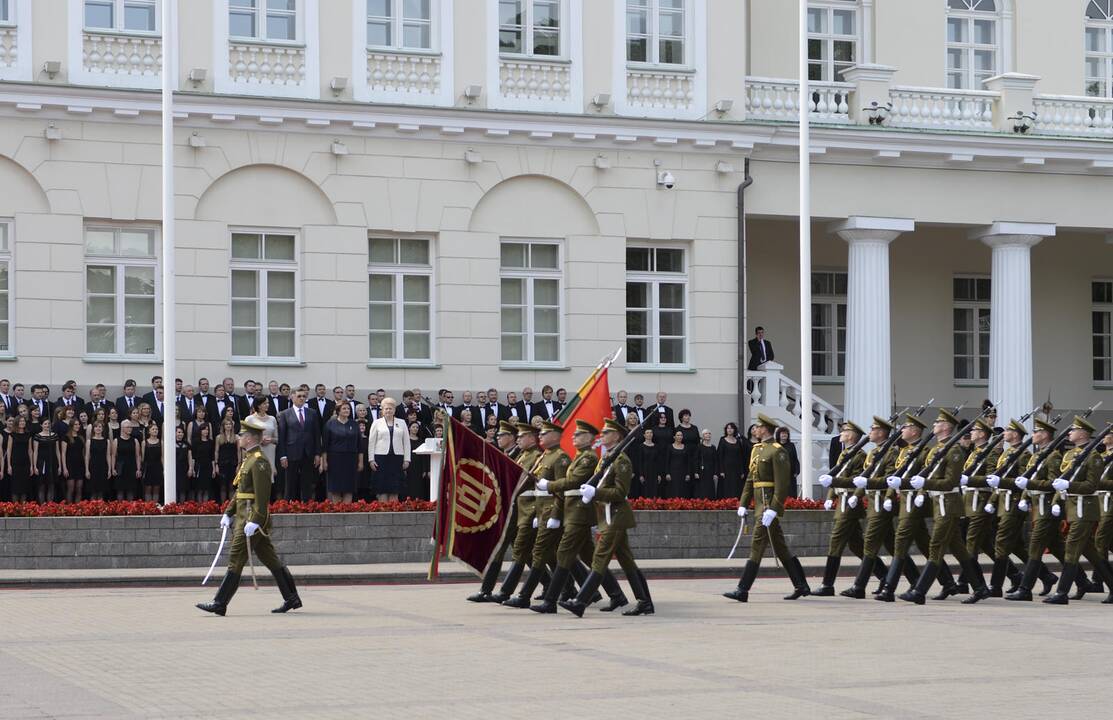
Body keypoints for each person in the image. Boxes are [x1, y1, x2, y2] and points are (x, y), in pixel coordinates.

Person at [196, 414, 302, 616]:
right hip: (244, 518)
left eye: (242, 434)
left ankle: (220, 603)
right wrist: (228, 513)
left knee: (236, 557)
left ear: (251, 438)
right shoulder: (249, 460)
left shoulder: (259, 462)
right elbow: (241, 492)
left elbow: (262, 498)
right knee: (271, 559)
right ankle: (292, 597)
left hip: (250, 520)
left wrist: (255, 521)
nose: (239, 437)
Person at [530, 420, 629, 614]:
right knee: (590, 556)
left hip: (579, 512)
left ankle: (551, 601)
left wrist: (548, 485)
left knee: (563, 553)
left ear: (589, 438)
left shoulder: (588, 458)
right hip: (573, 511)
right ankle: (617, 595)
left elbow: (574, 481)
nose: (574, 437)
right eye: (574, 435)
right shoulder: (579, 457)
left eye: (578, 435)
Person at [563, 418, 654, 617]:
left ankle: (580, 601)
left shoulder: (621, 461)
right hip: (607, 516)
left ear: (617, 436)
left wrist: (595, 493)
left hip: (616, 517)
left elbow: (619, 493)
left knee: (599, 558)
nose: (602, 435)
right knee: (627, 561)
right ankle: (645, 602)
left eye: (606, 432)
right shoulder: (608, 458)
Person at [898, 409, 991, 605]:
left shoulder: (954, 451)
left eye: (938, 422)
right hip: (938, 504)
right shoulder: (936, 449)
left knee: (936, 546)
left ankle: (919, 591)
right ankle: (980, 588)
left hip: (948, 504)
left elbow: (950, 482)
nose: (934, 425)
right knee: (959, 550)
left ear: (947, 427)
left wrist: (924, 485)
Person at [723, 413, 811, 603]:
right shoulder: (757, 449)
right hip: (759, 505)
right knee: (780, 547)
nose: (756, 430)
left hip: (767, 506)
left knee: (757, 545)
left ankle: (742, 589)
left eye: (759, 427)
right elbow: (750, 479)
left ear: (766, 429)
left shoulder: (778, 451)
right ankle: (801, 585)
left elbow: (782, 484)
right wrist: (743, 503)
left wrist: (774, 508)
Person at [1036, 416, 1113, 604]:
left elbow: (1091, 486)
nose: (1069, 433)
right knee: (1090, 552)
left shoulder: (1093, 456)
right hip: (1073, 508)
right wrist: (1058, 499)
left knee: (1071, 550)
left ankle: (1061, 593)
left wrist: (1069, 485)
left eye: (1073, 430)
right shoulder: (1073, 455)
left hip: (1085, 509)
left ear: (1083, 434)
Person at [982, 419, 1055, 597]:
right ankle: (1046, 575)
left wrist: (1018, 495)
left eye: (1007, 430)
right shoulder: (1008, 453)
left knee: (1001, 542)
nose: (1004, 433)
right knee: (1014, 545)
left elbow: (1022, 482)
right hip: (1003, 502)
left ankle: (996, 586)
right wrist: (993, 500)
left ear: (1015, 434)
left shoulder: (1023, 455)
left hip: (1013, 503)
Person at [503, 421, 570, 608]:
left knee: (541, 553)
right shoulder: (545, 457)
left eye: (544, 433)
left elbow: (561, 489)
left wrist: (556, 515)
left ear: (555, 436)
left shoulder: (560, 458)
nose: (540, 436)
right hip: (540, 513)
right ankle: (569, 590)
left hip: (550, 513)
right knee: (553, 555)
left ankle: (525, 596)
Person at [840, 416, 902, 599]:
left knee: (869, 544)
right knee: (893, 545)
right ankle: (917, 580)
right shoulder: (873, 453)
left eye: (873, 429)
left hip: (882, 503)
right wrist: (857, 495)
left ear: (882, 432)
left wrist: (889, 497)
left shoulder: (891, 453)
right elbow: (866, 478)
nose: (870, 431)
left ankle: (859, 587)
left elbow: (890, 479)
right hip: (873, 504)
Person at [487, 423, 545, 604]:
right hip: (517, 508)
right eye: (518, 436)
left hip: (528, 509)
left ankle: (504, 592)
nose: (519, 439)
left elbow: (523, 483)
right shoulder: (524, 456)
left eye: (522, 436)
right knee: (535, 553)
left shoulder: (535, 456)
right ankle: (559, 587)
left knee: (530, 552)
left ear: (532, 438)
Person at [815, 421, 869, 596]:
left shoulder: (859, 455)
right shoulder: (844, 453)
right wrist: (830, 497)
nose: (841, 433)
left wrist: (855, 496)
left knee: (836, 542)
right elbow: (836, 475)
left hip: (850, 503)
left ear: (852, 435)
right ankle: (883, 576)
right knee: (857, 546)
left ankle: (827, 585)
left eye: (845, 431)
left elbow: (857, 480)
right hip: (842, 501)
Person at [277, 388, 321, 502]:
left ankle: (306, 505)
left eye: (303, 396)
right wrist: (283, 456)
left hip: (308, 452)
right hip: (291, 452)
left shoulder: (312, 413)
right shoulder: (285, 414)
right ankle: (288, 505)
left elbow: (316, 434)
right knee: (290, 481)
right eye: (299, 396)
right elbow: (282, 437)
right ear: (292, 397)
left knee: (307, 482)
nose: (302, 398)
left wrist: (317, 453)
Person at [368, 397, 410, 502]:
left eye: (391, 408)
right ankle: (383, 512)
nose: (388, 411)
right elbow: (371, 442)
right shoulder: (376, 423)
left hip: (397, 458)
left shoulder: (402, 423)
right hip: (380, 459)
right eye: (386, 408)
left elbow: (406, 442)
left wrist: (407, 459)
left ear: (394, 410)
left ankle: (394, 511)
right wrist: (371, 459)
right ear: (382, 410)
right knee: (382, 489)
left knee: (394, 489)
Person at [322, 401, 361, 504]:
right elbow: (325, 445)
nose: (346, 410)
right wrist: (324, 461)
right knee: (336, 487)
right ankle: (337, 510)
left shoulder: (354, 424)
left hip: (351, 458)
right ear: (338, 410)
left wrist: (360, 462)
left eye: (348, 409)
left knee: (349, 486)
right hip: (335, 459)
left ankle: (347, 509)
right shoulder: (330, 424)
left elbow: (360, 445)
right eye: (344, 408)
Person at [31, 418, 61, 504]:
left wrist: (59, 465)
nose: (47, 425)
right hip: (41, 463)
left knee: (51, 485)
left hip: (52, 462)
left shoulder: (54, 435)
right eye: (45, 424)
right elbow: (35, 451)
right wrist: (34, 466)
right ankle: (42, 507)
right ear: (41, 425)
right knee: (42, 486)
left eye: (48, 423)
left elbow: (57, 451)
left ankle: (50, 507)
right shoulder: (37, 436)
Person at [717, 423, 746, 500]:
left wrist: (742, 471)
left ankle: (736, 502)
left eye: (731, 428)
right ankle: (727, 503)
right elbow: (720, 456)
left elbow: (740, 457)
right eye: (728, 428)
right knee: (727, 486)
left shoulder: (738, 441)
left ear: (734, 430)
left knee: (736, 485)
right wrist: (721, 470)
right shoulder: (722, 440)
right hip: (726, 468)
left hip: (736, 468)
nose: (729, 430)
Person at [85, 420, 112, 501]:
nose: (98, 428)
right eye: (96, 427)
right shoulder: (89, 441)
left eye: (100, 427)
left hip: (103, 466)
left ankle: (100, 511)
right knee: (93, 491)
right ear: (93, 429)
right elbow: (87, 456)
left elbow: (108, 456)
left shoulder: (107, 441)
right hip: (93, 466)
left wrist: (109, 469)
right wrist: (87, 470)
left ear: (103, 429)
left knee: (101, 492)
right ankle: (92, 511)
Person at [215, 418, 239, 504]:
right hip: (222, 464)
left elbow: (238, 452)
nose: (228, 426)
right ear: (223, 426)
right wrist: (216, 464)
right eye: (226, 424)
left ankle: (231, 506)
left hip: (233, 464)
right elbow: (216, 451)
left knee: (232, 486)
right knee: (223, 486)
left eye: (230, 424)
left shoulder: (236, 437)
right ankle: (223, 506)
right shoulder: (219, 437)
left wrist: (239, 465)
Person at [7, 416, 31, 502]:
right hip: (15, 463)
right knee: (15, 488)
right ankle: (15, 511)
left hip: (25, 463)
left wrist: (31, 465)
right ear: (17, 422)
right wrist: (9, 465)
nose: (22, 422)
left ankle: (24, 510)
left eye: (24, 421)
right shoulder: (12, 435)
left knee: (24, 488)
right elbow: (9, 450)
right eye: (20, 421)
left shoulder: (28, 435)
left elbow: (30, 451)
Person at [61, 419, 86, 503]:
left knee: (79, 488)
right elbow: (63, 454)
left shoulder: (81, 438)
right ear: (71, 426)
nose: (77, 426)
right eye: (75, 424)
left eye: (78, 424)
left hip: (80, 464)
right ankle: (69, 509)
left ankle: (77, 509)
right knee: (71, 488)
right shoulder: (66, 438)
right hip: (70, 465)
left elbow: (84, 453)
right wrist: (64, 468)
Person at [191, 424, 216, 503]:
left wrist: (214, 469)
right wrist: (192, 469)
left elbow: (212, 457)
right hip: (199, 466)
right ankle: (199, 506)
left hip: (208, 466)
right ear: (200, 431)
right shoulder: (196, 442)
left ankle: (205, 506)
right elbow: (193, 456)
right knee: (199, 488)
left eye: (207, 429)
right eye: (204, 429)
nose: (206, 431)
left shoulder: (211, 442)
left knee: (206, 488)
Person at [404, 422, 429, 500]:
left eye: (417, 427)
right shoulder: (405, 440)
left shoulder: (421, 441)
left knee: (418, 485)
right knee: (408, 484)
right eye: (413, 427)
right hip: (409, 465)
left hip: (419, 466)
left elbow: (424, 457)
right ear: (409, 428)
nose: (415, 429)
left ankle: (418, 503)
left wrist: (425, 469)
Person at [141, 423, 163, 503]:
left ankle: (155, 507)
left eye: (156, 429)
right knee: (148, 488)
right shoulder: (144, 442)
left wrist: (163, 469)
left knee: (156, 488)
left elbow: (162, 456)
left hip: (157, 466)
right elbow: (142, 457)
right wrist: (142, 468)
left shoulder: (161, 442)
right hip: (148, 467)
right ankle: (148, 507)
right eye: (153, 429)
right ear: (149, 431)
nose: (155, 431)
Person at [664, 430, 690, 499]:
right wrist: (667, 473)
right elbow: (667, 461)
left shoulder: (686, 447)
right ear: (674, 437)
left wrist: (688, 474)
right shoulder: (670, 447)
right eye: (678, 435)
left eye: (681, 435)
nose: (680, 437)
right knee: (673, 489)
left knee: (682, 489)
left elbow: (688, 461)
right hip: (672, 472)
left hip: (683, 472)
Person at [775, 427, 800, 497]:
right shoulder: (775, 445)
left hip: (790, 473)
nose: (784, 435)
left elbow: (795, 459)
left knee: (791, 492)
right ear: (778, 435)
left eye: (786, 433)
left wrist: (797, 471)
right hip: (778, 473)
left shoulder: (791, 445)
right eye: (782, 433)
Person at [637, 428, 661, 499]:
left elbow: (658, 461)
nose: (649, 434)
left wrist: (659, 474)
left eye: (651, 433)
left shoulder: (656, 446)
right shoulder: (641, 446)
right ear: (644, 435)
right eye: (647, 433)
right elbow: (640, 461)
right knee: (645, 490)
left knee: (655, 490)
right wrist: (641, 474)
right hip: (645, 471)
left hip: (654, 471)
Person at [694, 429, 718, 499]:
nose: (708, 435)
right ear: (703, 436)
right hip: (701, 470)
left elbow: (716, 461)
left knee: (710, 487)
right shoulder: (699, 446)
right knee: (702, 487)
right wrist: (696, 472)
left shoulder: (713, 447)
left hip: (711, 470)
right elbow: (696, 460)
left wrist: (715, 473)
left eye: (709, 433)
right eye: (706, 434)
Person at [175, 426, 190, 503]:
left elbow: (189, 456)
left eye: (182, 432)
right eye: (178, 432)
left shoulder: (186, 444)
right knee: (175, 487)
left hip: (184, 468)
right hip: (175, 468)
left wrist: (190, 468)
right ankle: (174, 506)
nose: (180, 434)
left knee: (183, 488)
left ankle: (182, 506)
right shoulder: (170, 444)